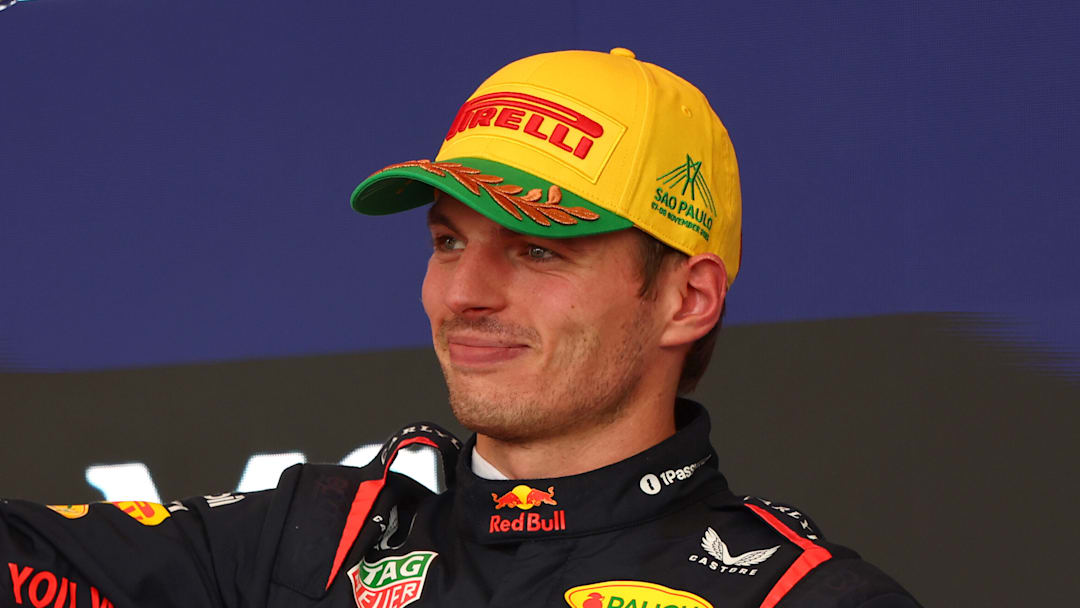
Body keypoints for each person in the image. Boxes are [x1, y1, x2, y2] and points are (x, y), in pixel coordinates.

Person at [0, 49, 919, 608]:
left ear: (687, 299)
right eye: (447, 241)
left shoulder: (798, 598)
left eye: (537, 251)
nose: (462, 293)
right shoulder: (312, 545)